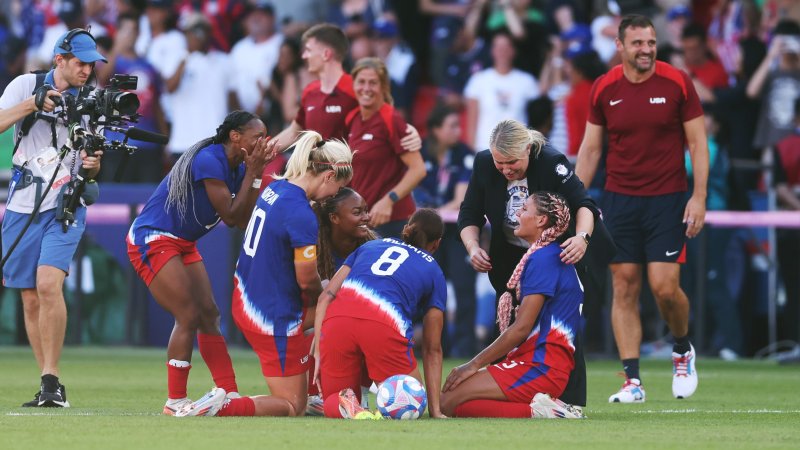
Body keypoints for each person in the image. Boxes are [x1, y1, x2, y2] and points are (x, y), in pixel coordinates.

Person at [575, 14, 709, 403]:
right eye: (638, 43)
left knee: (664, 288)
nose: (646, 50)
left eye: (650, 42)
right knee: (624, 284)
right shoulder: (603, 88)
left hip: (668, 199)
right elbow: (591, 149)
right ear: (620, 46)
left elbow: (698, 144)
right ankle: (632, 380)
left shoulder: (677, 82)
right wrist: (572, 200)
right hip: (619, 200)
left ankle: (682, 348)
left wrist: (698, 197)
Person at [177, 131, 353, 417]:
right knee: (291, 406)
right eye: (339, 187)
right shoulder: (300, 212)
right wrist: (327, 297)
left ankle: (314, 391)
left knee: (335, 309)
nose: (334, 196)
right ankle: (224, 406)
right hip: (271, 316)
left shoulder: (276, 188)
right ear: (329, 176)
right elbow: (306, 279)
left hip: (247, 299)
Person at [126, 110, 277, 414]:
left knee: (209, 313)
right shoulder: (211, 159)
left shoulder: (238, 166)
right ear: (236, 137)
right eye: (257, 136)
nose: (264, 142)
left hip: (182, 242)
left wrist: (255, 173)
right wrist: (253, 173)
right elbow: (232, 215)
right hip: (153, 237)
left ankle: (230, 393)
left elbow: (242, 221)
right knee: (188, 314)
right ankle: (175, 401)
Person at [458, 118, 615, 410]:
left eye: (512, 162)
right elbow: (469, 215)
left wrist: (581, 239)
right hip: (509, 256)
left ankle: (569, 404)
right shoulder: (482, 164)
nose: (506, 169)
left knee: (561, 326)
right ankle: (509, 391)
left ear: (528, 149)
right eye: (499, 162)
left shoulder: (552, 162)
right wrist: (473, 247)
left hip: (557, 252)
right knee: (506, 320)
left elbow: (584, 204)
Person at [0, 28, 106, 407]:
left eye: (91, 63)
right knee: (29, 297)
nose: (87, 70)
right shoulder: (24, 84)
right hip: (23, 199)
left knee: (48, 285)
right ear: (59, 59)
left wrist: (93, 166)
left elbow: (93, 164)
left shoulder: (94, 99)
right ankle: (47, 381)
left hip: (66, 198)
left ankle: (52, 379)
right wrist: (35, 103)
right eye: (80, 62)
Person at [441, 192, 584, 419]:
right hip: (538, 363)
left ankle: (544, 411)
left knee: (446, 402)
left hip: (540, 366)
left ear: (541, 220)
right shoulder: (547, 254)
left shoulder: (544, 258)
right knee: (449, 400)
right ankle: (542, 408)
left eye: (525, 209)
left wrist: (472, 364)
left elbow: (521, 328)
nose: (517, 212)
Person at [313, 208, 447, 419]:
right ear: (437, 243)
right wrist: (435, 410)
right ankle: (379, 402)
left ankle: (348, 403)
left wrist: (319, 348)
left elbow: (325, 297)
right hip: (383, 323)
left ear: (406, 229)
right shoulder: (434, 269)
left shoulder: (370, 245)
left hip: (338, 319)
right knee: (411, 401)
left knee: (332, 399)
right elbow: (432, 348)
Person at [266, 23, 420, 183]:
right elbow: (294, 131)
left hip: (351, 183)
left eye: (309, 50)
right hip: (317, 180)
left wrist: (410, 134)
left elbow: (389, 119)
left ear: (326, 54)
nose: (304, 56)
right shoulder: (310, 91)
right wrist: (263, 149)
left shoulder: (356, 88)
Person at [414, 104, 478, 357]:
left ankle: (464, 349)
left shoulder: (465, 154)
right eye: (452, 125)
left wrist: (432, 212)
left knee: (464, 289)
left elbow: (461, 199)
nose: (458, 130)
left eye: (458, 125)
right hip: (427, 234)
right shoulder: (419, 153)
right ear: (436, 130)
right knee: (428, 290)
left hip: (456, 233)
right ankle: (433, 347)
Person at [346, 57, 426, 238]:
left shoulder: (390, 118)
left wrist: (389, 201)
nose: (366, 88)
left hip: (393, 220)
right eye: (361, 82)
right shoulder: (353, 118)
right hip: (365, 221)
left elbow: (418, 169)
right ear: (353, 84)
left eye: (373, 83)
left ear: (383, 87)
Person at [314, 187, 377, 282]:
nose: (366, 217)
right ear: (334, 218)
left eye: (366, 211)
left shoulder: (375, 247)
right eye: (357, 212)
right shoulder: (317, 255)